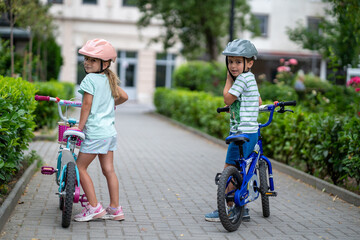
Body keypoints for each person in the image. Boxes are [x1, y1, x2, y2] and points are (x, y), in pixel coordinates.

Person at [71, 39, 128, 222]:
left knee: (80, 167)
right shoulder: (108, 79)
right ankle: (115, 209)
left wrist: (79, 127)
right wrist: (110, 105)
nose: (87, 63)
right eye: (86, 59)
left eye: (93, 60)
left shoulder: (90, 79)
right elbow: (124, 96)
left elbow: (86, 105)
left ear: (104, 63)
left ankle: (94, 207)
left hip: (95, 133)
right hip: (109, 133)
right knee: (109, 170)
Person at [205, 39, 261, 222]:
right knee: (240, 171)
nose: (233, 66)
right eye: (230, 62)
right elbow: (258, 102)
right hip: (251, 132)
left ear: (249, 63)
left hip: (241, 133)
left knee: (229, 169)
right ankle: (242, 209)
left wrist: (228, 80)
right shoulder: (250, 79)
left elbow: (227, 99)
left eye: (238, 62)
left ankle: (229, 209)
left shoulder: (242, 78)